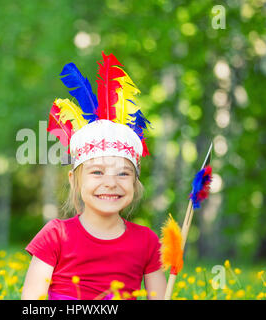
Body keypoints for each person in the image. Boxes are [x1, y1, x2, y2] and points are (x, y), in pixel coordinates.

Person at [21, 52, 167, 300]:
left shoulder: (147, 242)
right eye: (97, 172)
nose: (110, 182)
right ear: (74, 181)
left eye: (123, 173)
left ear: (135, 182)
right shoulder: (56, 235)